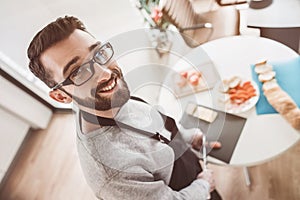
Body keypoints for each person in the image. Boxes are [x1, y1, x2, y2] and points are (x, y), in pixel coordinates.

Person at [27, 16, 222, 200]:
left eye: (98, 53)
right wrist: (203, 186)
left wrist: (188, 138)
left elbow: (151, 124)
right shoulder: (111, 172)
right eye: (78, 72)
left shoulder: (100, 99)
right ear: (61, 96)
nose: (105, 73)